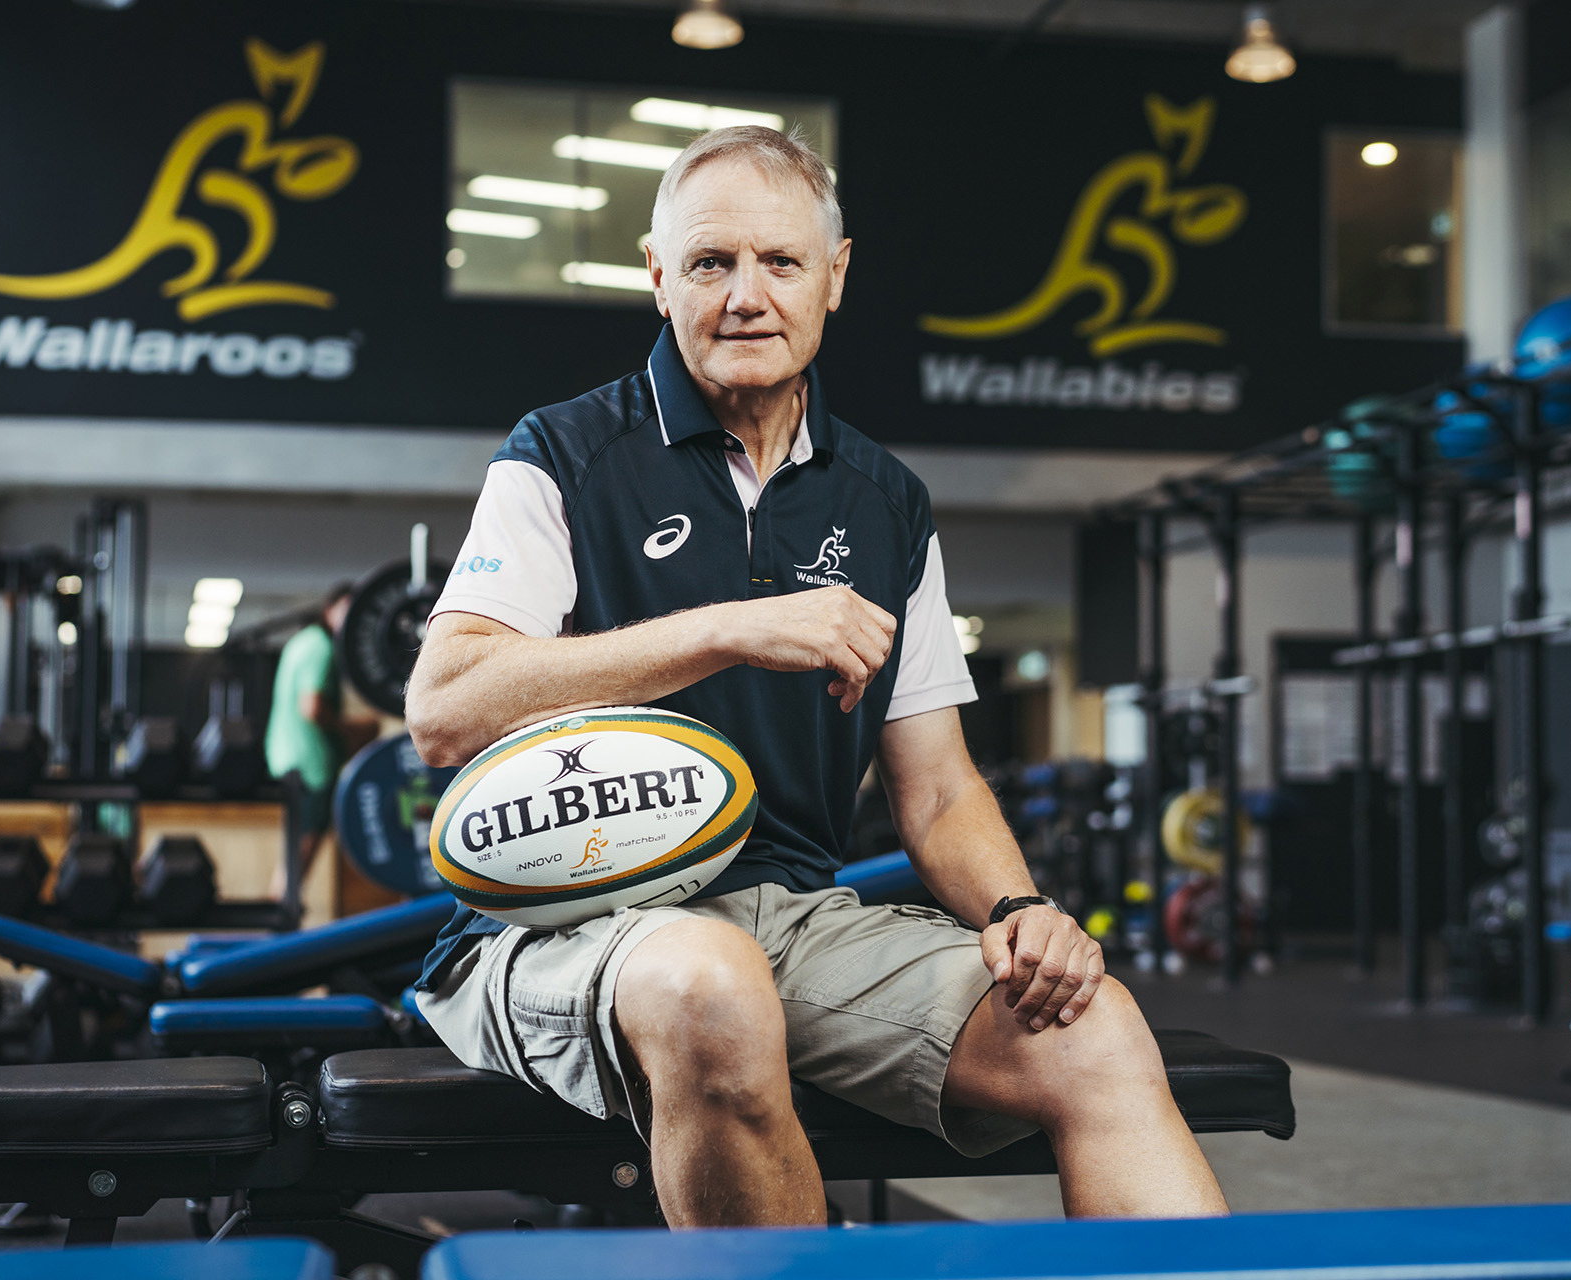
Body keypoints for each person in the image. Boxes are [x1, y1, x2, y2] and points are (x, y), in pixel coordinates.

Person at [405, 125, 1227, 1227]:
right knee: (710, 982)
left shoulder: (885, 502)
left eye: (780, 262)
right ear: (658, 277)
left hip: (790, 913)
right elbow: (444, 708)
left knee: (1094, 1027)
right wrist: (730, 629)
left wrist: (1020, 905)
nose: (746, 294)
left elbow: (934, 787)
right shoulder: (563, 454)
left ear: (834, 278)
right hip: (558, 921)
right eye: (710, 262)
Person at [264, 582, 370, 896]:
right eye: (346, 611)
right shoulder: (321, 648)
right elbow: (311, 707)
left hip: (286, 756)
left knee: (297, 847)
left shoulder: (300, 642)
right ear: (329, 610)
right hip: (311, 763)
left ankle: (283, 908)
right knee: (304, 846)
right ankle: (283, 915)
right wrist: (353, 731)